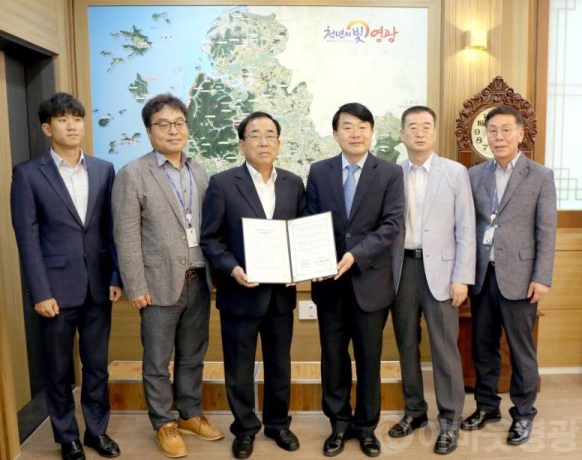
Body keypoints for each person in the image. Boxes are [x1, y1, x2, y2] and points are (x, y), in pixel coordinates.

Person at [10, 92, 122, 460]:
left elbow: (110, 229)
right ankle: (67, 436)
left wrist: (116, 276)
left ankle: (96, 432)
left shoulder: (104, 169)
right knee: (58, 370)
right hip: (55, 291)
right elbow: (27, 239)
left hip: (98, 287)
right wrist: (40, 292)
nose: (72, 125)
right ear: (47, 128)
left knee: (97, 366)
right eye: (62, 119)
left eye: (77, 118)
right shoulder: (28, 174)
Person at [112, 94, 223, 458]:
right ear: (149, 131)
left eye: (179, 123)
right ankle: (163, 422)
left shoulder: (199, 171)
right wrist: (135, 285)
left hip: (199, 279)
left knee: (193, 355)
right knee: (157, 361)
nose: (173, 130)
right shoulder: (133, 174)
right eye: (163, 124)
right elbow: (126, 234)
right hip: (157, 284)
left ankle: (189, 414)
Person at [200, 112, 305, 459]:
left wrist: (300, 265)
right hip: (239, 293)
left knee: (279, 365)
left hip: (280, 295)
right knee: (239, 368)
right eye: (255, 135)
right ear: (241, 143)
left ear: (279, 143)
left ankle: (277, 424)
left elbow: (302, 233)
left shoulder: (293, 183)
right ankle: (244, 429)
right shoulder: (222, 183)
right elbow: (211, 239)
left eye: (270, 135)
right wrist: (232, 269)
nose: (263, 142)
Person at [305, 102, 404, 457]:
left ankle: (365, 427)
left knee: (368, 359)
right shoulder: (319, 171)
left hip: (370, 283)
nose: (356, 133)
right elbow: (310, 221)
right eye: (347, 126)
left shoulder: (390, 172)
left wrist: (355, 254)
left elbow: (392, 224)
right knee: (333, 357)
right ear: (335, 134)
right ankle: (338, 424)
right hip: (329, 284)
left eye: (363, 126)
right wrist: (313, 260)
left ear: (372, 132)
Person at [461, 105, 557, 446]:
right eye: (493, 131)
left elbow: (546, 231)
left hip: (521, 277)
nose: (498, 137)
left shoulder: (540, 176)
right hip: (482, 276)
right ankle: (487, 407)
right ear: (486, 136)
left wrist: (542, 277)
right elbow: (468, 226)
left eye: (505, 130)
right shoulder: (474, 175)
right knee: (482, 346)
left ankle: (524, 413)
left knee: (520, 350)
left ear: (520, 134)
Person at [387, 106, 475, 455]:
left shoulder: (455, 172)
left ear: (435, 133)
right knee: (406, 344)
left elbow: (466, 227)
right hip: (403, 269)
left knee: (444, 348)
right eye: (413, 127)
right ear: (402, 134)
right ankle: (415, 411)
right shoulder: (392, 174)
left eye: (426, 126)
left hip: (442, 272)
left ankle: (450, 420)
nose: (420, 132)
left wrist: (461, 277)